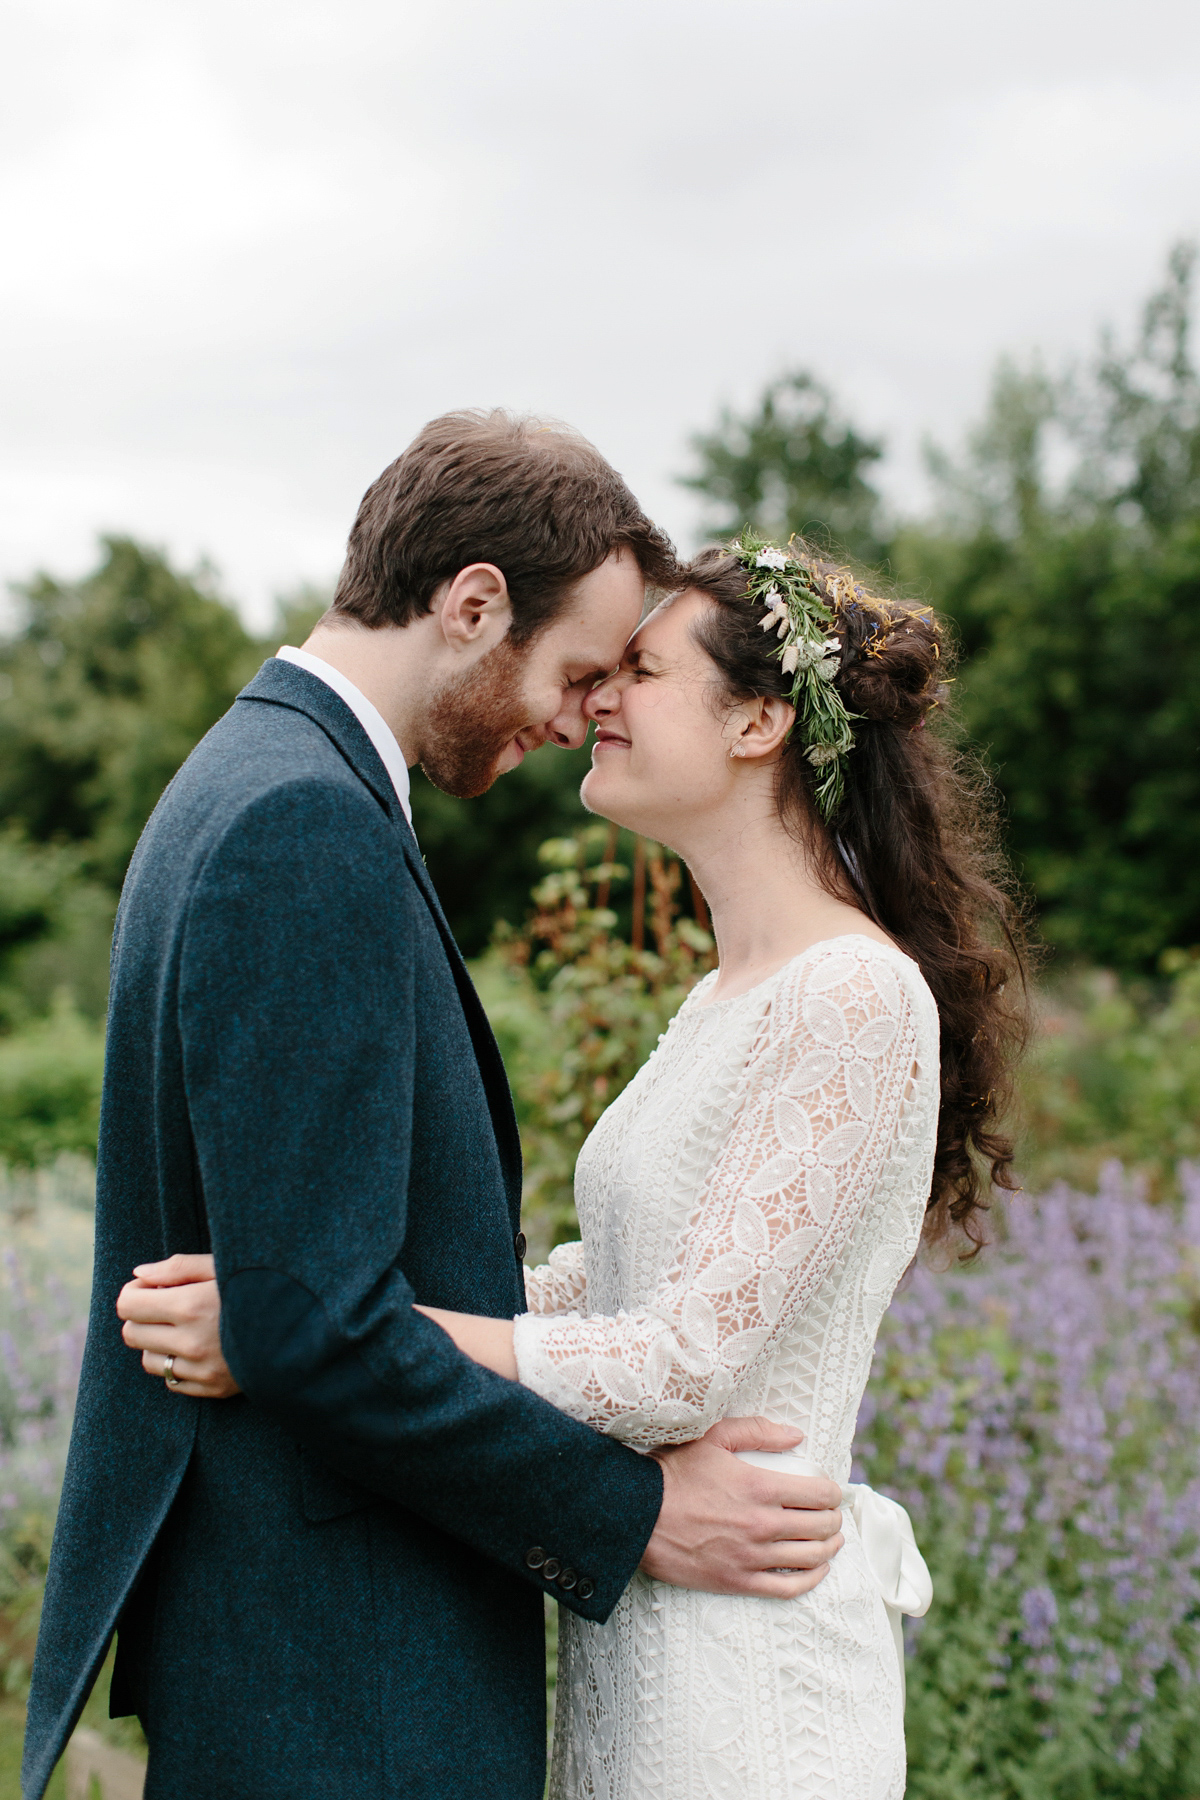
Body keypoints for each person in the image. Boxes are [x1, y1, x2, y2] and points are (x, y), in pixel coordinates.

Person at [23, 419, 847, 1800]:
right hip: (346, 1679)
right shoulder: (307, 827)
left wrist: (296, 1318)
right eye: (577, 668)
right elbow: (319, 1332)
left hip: (297, 1649)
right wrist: (637, 1515)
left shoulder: (249, 778)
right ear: (472, 606)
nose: (579, 712)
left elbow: (297, 1304)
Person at [131, 533, 1029, 1798]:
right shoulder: (728, 994)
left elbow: (674, 1364)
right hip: (641, 1640)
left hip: (749, 1679)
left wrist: (311, 1329)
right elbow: (599, 1284)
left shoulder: (855, 995)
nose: (597, 697)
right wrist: (306, 1317)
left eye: (643, 670)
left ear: (760, 720)